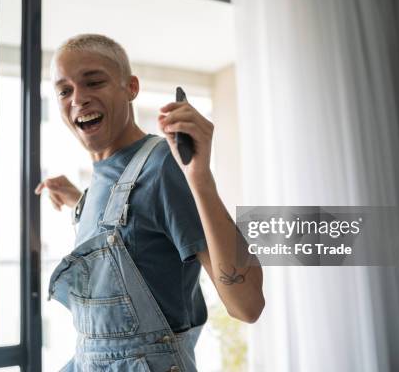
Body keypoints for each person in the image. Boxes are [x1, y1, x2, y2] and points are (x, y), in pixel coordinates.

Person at [35, 34, 264, 372]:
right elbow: (136, 232)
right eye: (65, 91)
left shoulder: (164, 166)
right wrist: (78, 203)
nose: (78, 99)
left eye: (93, 82)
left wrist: (199, 177)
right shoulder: (101, 178)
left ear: (131, 87)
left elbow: (247, 306)